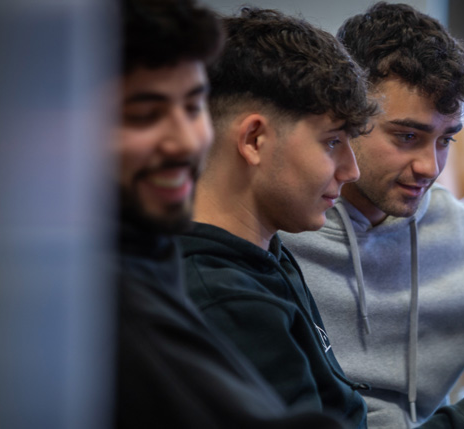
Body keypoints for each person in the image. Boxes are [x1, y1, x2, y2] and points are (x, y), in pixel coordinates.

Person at [179, 6, 464, 429]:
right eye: (406, 136)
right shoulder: (263, 248)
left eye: (446, 141)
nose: (430, 168)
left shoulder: (270, 246)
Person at [114, 0, 338, 427]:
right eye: (145, 115)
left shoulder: (153, 253)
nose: (185, 142)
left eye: (194, 107)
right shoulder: (108, 298)